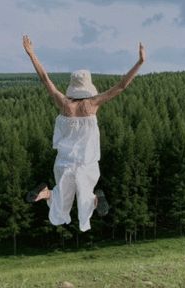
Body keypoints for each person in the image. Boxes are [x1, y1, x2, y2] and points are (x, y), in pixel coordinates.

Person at [23, 35, 145, 232]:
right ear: (88, 87)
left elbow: (45, 79)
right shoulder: (92, 104)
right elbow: (121, 86)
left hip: (63, 161)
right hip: (86, 161)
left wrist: (31, 53)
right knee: (85, 200)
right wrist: (140, 62)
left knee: (61, 206)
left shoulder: (64, 103)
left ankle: (45, 193)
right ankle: (97, 199)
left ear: (72, 86)